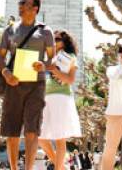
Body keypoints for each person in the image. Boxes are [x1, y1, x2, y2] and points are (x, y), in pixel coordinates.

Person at [0, 0, 56, 170]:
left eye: (24, 3)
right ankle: (14, 168)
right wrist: (6, 73)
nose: (20, 5)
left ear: (35, 8)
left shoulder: (46, 31)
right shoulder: (10, 30)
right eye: (20, 2)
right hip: (13, 84)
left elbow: (53, 59)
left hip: (36, 85)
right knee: (12, 131)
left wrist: (43, 64)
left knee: (32, 129)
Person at [39, 30, 82, 169]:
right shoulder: (50, 57)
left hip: (61, 98)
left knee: (59, 139)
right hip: (46, 98)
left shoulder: (71, 57)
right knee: (40, 138)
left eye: (58, 39)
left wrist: (55, 71)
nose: (55, 41)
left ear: (65, 42)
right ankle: (62, 167)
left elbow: (70, 80)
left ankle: (59, 168)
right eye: (53, 39)